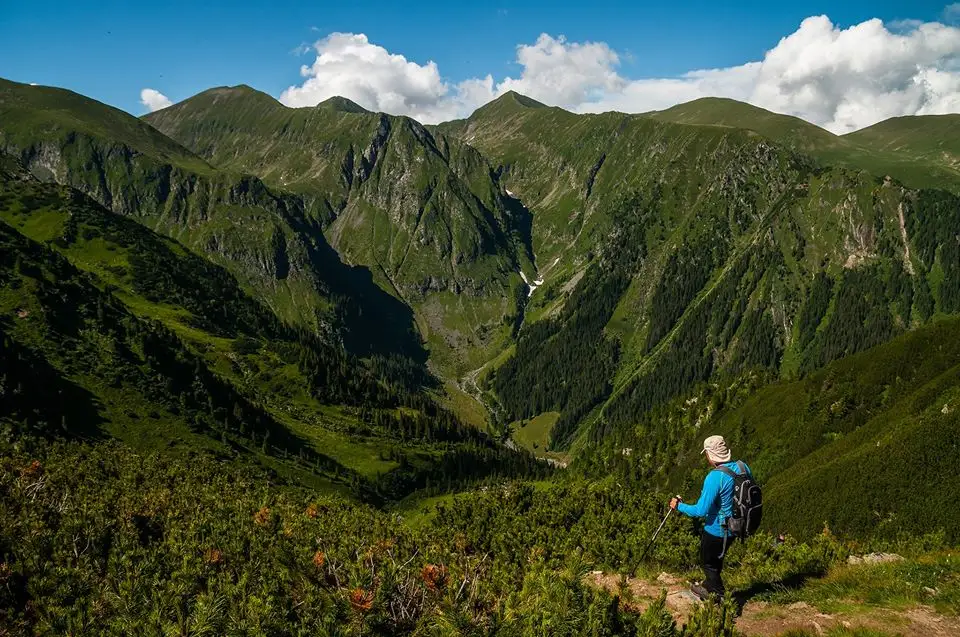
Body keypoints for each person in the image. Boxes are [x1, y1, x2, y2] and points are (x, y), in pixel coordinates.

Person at [669, 434, 752, 602]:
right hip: (738, 524)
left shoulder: (715, 477)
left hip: (718, 529)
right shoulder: (743, 467)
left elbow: (700, 510)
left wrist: (679, 506)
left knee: (708, 563)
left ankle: (718, 596)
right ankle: (709, 585)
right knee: (716, 559)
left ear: (709, 454)